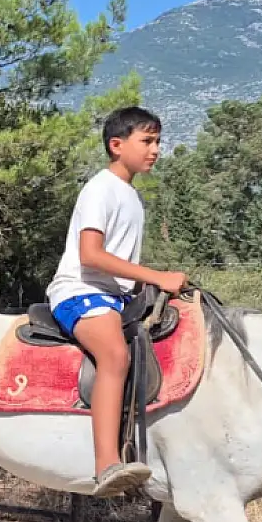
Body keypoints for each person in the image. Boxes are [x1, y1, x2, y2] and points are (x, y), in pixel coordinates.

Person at [45, 106, 188, 497]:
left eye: (158, 141)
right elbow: (91, 255)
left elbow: (122, 265)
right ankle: (106, 463)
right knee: (114, 356)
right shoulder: (101, 188)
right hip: (80, 290)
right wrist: (156, 276)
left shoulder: (130, 195)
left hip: (112, 295)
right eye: (147, 141)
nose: (155, 149)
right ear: (116, 144)